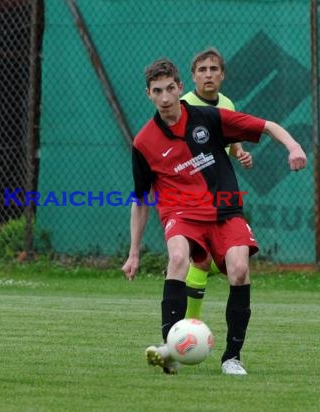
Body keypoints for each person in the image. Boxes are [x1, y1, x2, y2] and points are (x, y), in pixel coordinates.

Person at [122, 58, 306, 375]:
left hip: (224, 209)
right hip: (181, 212)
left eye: (169, 89)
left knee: (238, 270)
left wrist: (294, 147)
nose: (165, 98)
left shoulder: (207, 117)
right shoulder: (143, 142)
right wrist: (133, 252)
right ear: (148, 94)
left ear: (180, 88)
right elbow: (140, 199)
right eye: (157, 91)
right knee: (178, 257)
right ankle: (170, 347)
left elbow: (266, 126)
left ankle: (232, 357)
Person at [180, 47, 252, 321]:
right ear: (193, 77)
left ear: (222, 75)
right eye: (202, 70)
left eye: (213, 70)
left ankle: (189, 324)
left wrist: (241, 153)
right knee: (200, 258)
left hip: (221, 193)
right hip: (191, 194)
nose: (208, 75)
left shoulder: (227, 104)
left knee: (209, 261)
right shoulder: (184, 104)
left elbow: (231, 142)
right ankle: (189, 324)